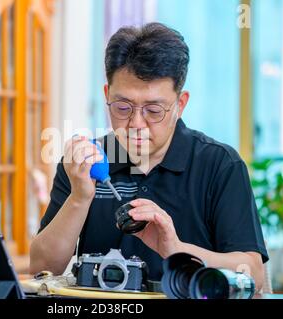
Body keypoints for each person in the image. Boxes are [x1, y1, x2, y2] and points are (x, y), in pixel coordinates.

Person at [29, 23, 268, 290]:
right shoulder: (86, 162)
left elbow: (253, 274)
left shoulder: (219, 164)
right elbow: (41, 269)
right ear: (107, 95)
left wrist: (176, 250)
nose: (136, 124)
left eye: (153, 110)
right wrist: (79, 198)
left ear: (180, 104)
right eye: (122, 107)